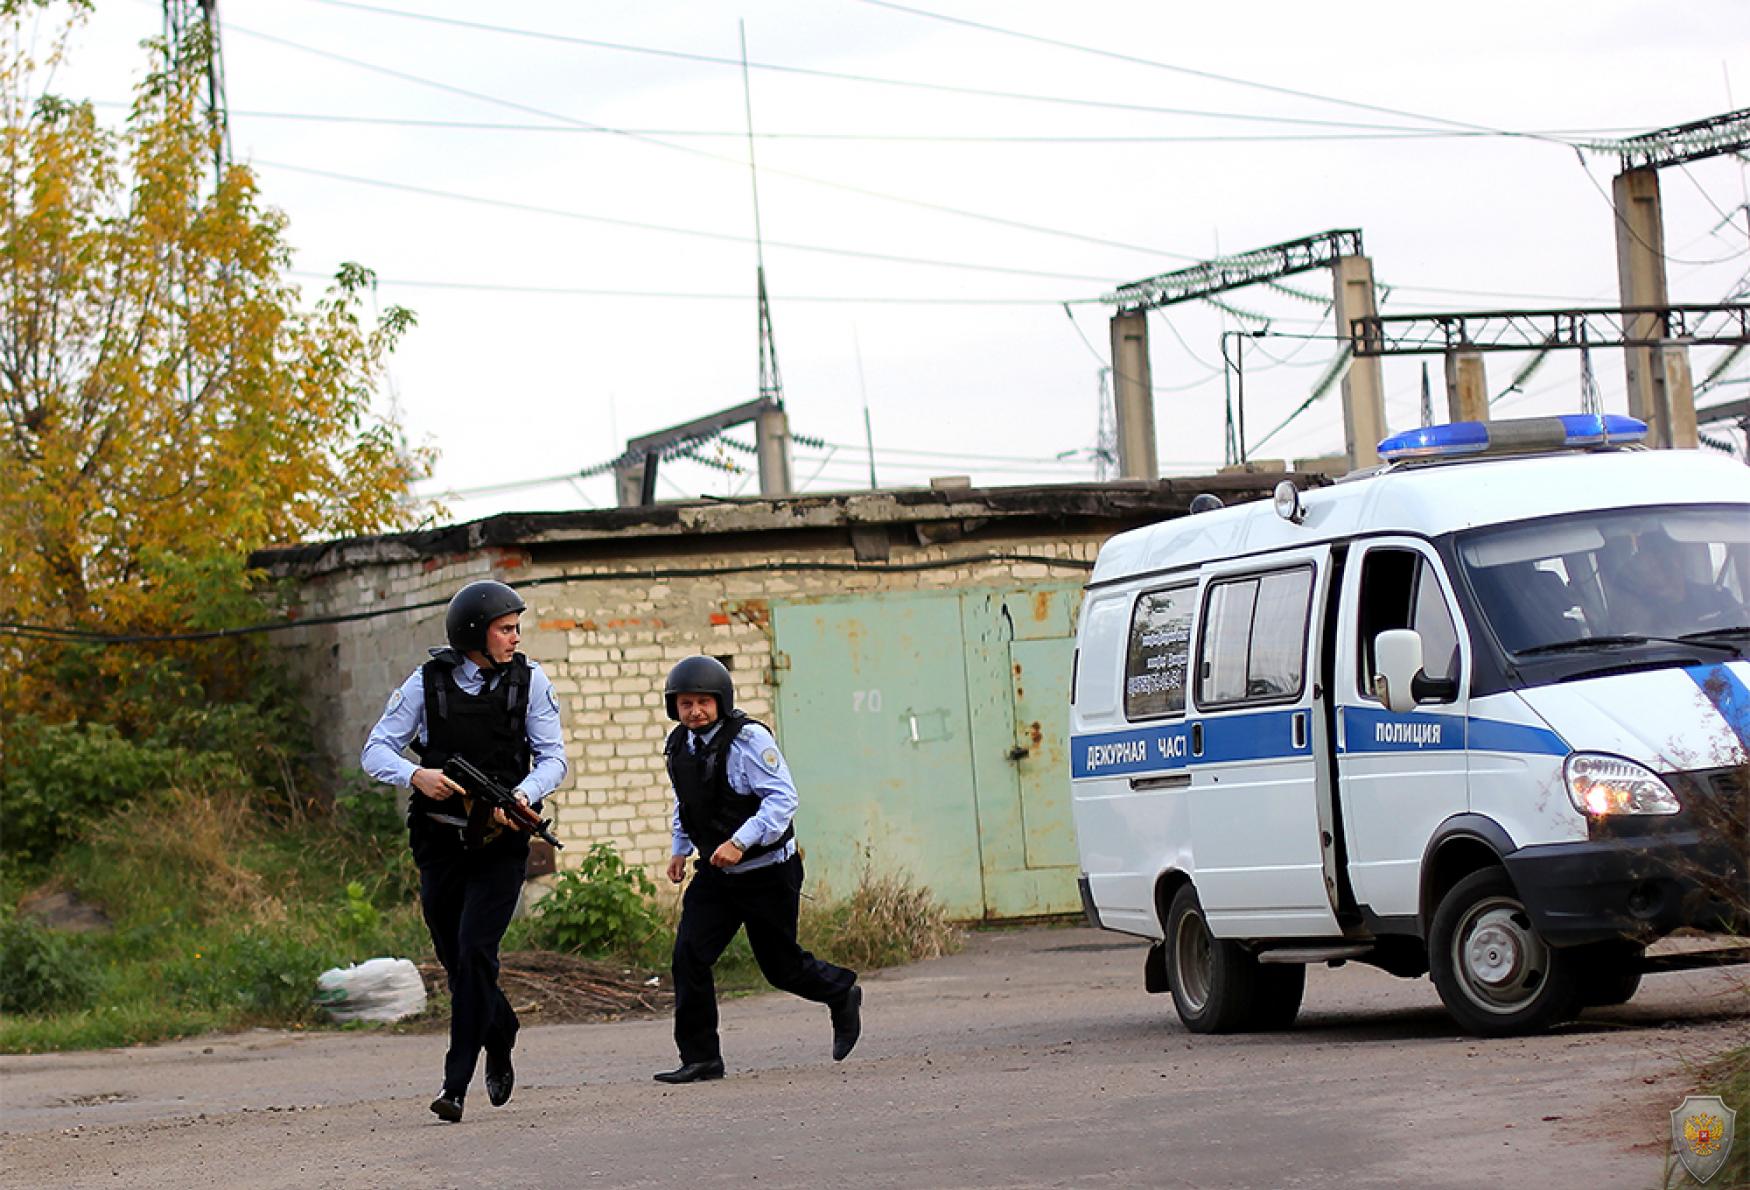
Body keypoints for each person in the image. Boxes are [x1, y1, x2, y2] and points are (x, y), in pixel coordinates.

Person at [360, 579, 568, 1123]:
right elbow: (375, 749)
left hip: (500, 842)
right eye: (505, 628)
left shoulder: (532, 682)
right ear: (475, 632)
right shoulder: (425, 684)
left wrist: (522, 796)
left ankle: (456, 1084)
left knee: (477, 952)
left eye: (517, 627)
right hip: (439, 841)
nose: (515, 638)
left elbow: (553, 758)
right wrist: (416, 774)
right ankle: (501, 1031)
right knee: (458, 962)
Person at [654, 655, 861, 1084]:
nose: (695, 711)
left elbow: (782, 800)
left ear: (721, 702)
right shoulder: (680, 746)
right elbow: (687, 803)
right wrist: (679, 849)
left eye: (703, 703)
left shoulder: (748, 740)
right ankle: (702, 1058)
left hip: (767, 873)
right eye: (686, 703)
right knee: (688, 956)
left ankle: (840, 992)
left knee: (781, 968)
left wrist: (739, 842)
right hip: (717, 875)